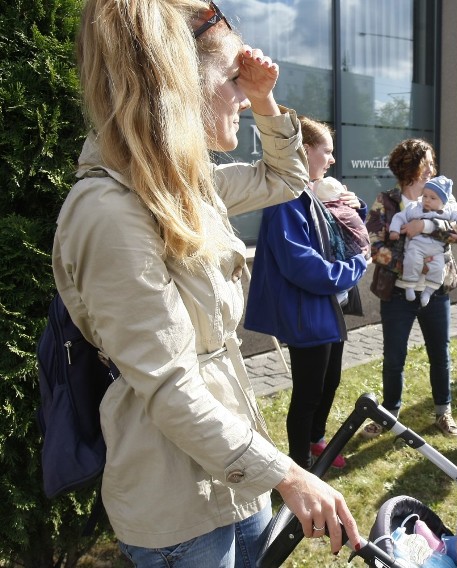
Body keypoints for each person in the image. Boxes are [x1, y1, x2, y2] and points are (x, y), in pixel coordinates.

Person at [54, 1, 360, 564]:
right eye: (232, 80)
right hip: (179, 508)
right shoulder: (110, 212)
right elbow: (169, 384)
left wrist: (266, 98)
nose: (244, 95)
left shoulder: (186, 187)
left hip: (240, 479)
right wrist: (289, 474)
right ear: (176, 83)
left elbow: (287, 176)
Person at [245, 116, 368, 471]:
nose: (331, 161)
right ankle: (298, 466)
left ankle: (316, 441)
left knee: (330, 382)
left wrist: (350, 209)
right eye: (326, 152)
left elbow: (330, 236)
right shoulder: (285, 197)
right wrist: (356, 267)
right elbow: (301, 265)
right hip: (307, 312)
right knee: (308, 393)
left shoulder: (311, 190)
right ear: (305, 150)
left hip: (328, 308)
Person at [360, 139, 457, 439]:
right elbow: (374, 246)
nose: (433, 168)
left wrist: (429, 228)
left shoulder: (443, 196)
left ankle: (443, 412)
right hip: (396, 293)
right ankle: (388, 414)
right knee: (394, 356)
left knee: (440, 354)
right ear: (414, 166)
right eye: (429, 162)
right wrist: (409, 263)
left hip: (436, 291)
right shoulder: (387, 202)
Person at [389, 175, 457, 306]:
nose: (427, 200)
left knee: (438, 268)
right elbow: (399, 217)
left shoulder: (449, 210)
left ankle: (428, 291)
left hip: (437, 250)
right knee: (412, 260)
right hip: (417, 245)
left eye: (433, 198)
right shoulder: (415, 207)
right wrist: (394, 230)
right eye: (425, 196)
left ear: (443, 201)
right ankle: (410, 287)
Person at [314, 175, 371, 259]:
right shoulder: (345, 209)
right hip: (360, 255)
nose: (332, 161)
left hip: (352, 260)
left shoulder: (326, 212)